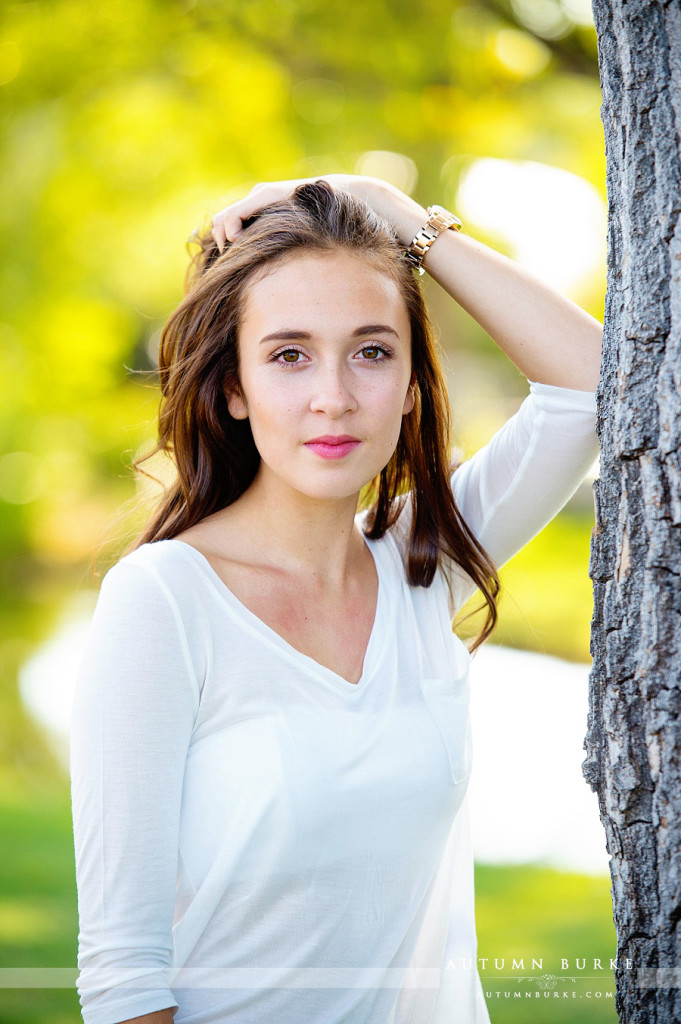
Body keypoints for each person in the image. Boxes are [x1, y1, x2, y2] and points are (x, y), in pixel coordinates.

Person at [70, 174, 602, 1024]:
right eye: (288, 354)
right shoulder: (164, 601)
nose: (335, 396)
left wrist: (393, 213)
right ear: (231, 388)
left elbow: (588, 384)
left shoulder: (423, 559)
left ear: (411, 382)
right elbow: (124, 978)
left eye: (371, 350)